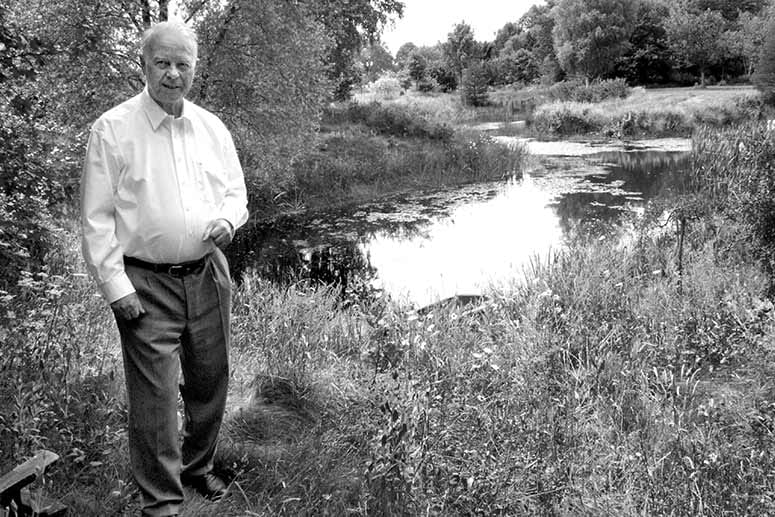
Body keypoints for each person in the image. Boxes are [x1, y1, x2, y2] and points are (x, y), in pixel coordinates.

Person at [80, 20, 248, 517]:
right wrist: (116, 286)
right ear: (143, 65)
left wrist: (227, 220)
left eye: (183, 64)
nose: (173, 74)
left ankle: (198, 467)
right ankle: (162, 500)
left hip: (207, 273)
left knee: (210, 380)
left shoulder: (212, 127)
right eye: (163, 63)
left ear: (194, 68)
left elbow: (235, 192)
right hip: (144, 282)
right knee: (154, 398)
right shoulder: (112, 130)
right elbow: (95, 218)